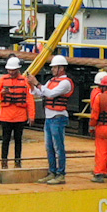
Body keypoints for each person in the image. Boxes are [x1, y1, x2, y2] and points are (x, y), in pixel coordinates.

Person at [0, 57, 33, 169]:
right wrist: (2, 93)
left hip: (20, 117)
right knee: (5, 140)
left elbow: (29, 99)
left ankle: (17, 162)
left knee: (18, 141)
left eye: (13, 70)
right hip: (5, 117)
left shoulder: (25, 81)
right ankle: (4, 162)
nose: (10, 72)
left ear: (18, 69)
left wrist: (31, 116)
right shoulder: (2, 80)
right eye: (9, 70)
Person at [38, 56, 74, 184]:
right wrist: (31, 85)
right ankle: (52, 172)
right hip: (49, 117)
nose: (52, 69)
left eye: (54, 67)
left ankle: (60, 174)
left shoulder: (66, 83)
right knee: (49, 147)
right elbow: (40, 92)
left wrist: (37, 84)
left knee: (59, 147)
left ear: (61, 68)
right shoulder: (52, 80)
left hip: (58, 117)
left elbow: (50, 94)